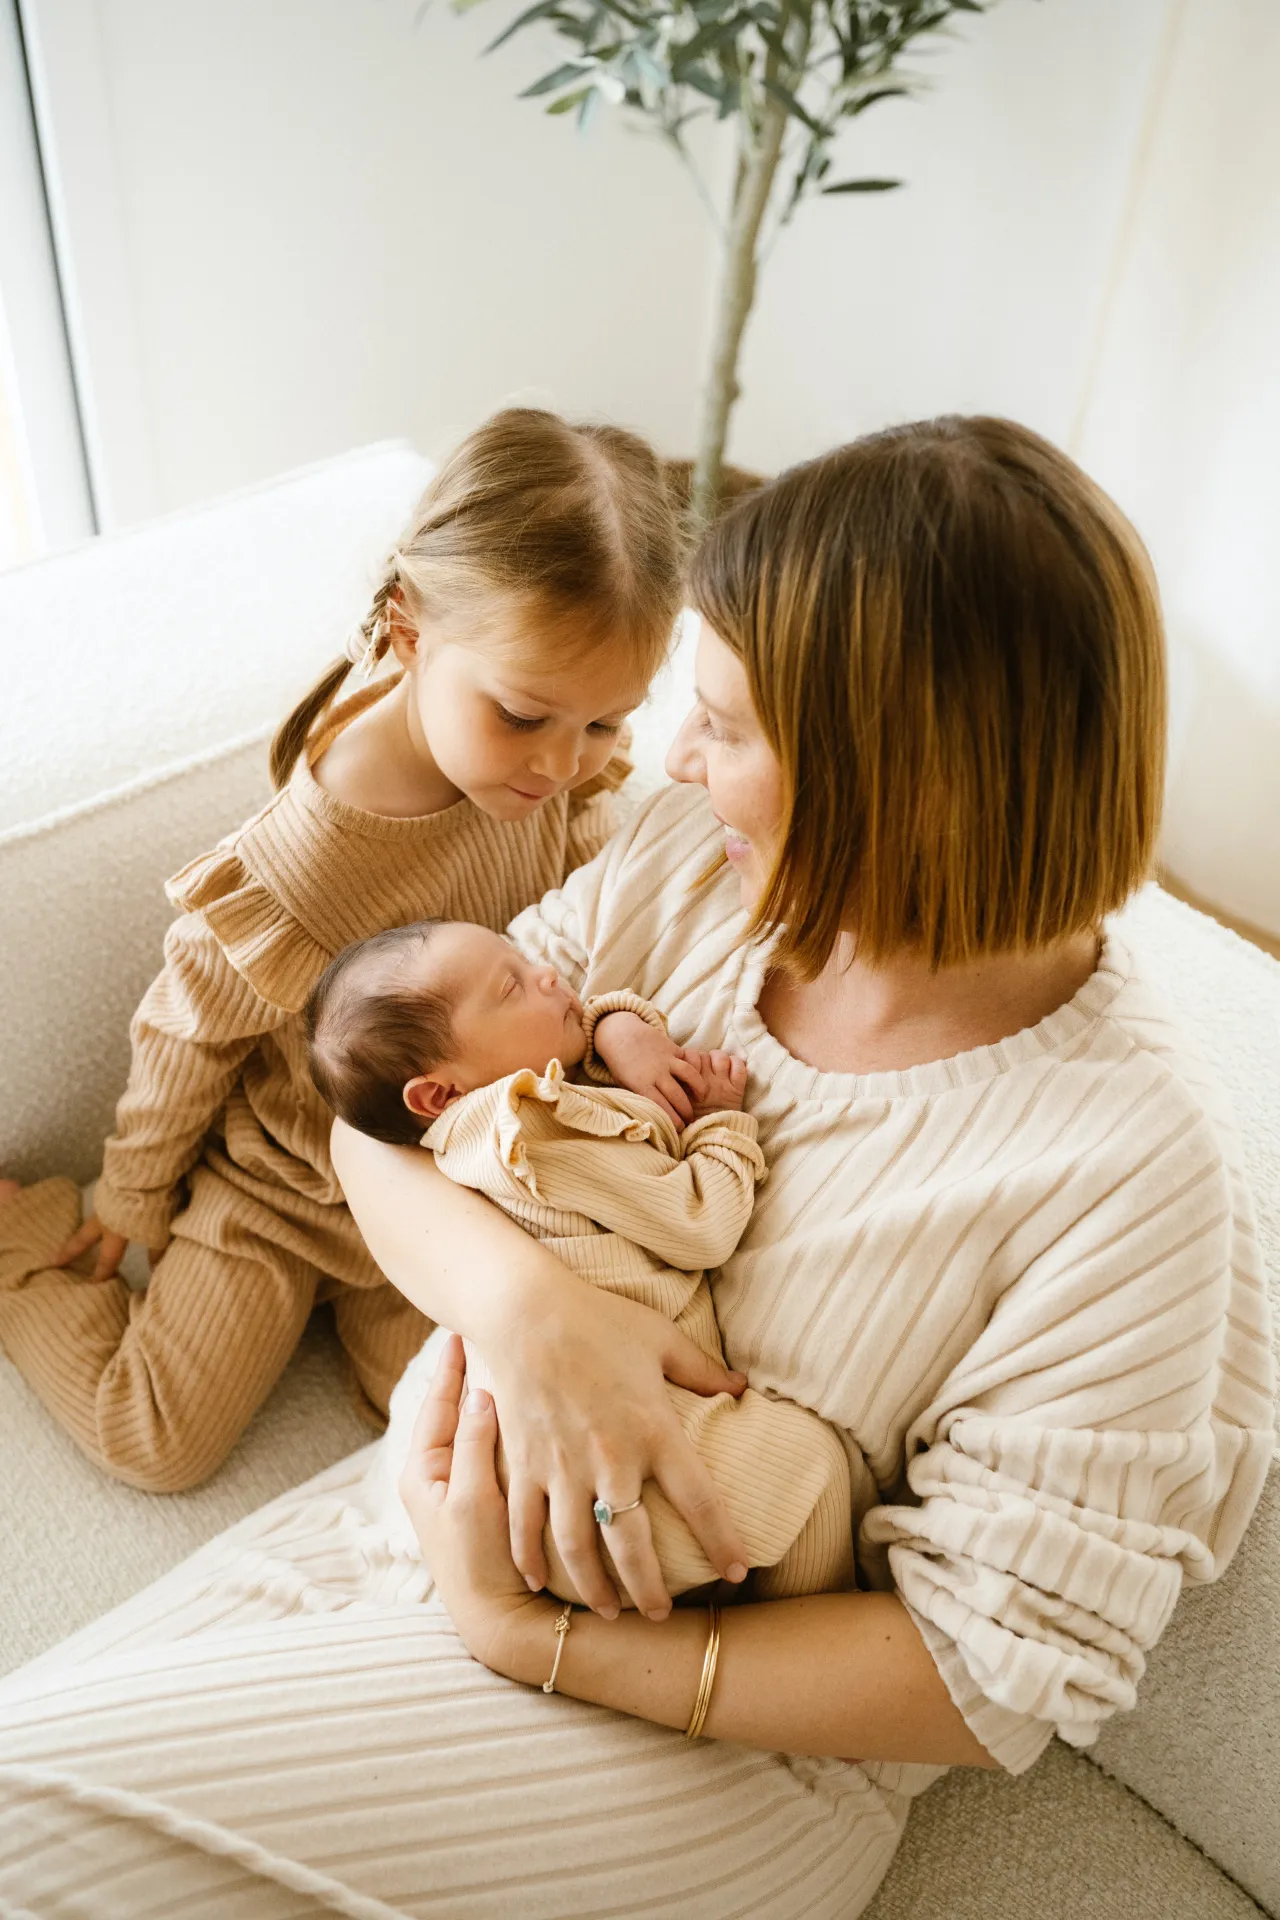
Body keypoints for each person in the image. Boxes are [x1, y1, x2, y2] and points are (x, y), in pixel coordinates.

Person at [0, 417, 1271, 1920]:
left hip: (704, 1736)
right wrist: (534, 1317)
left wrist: (532, 1637)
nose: (668, 760)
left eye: (721, 727)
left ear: (899, 778)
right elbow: (384, 1120)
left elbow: (986, 1670)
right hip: (417, 1515)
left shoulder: (1129, 1178)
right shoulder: (684, 873)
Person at [0, 407, 685, 1493]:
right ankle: (17, 1250)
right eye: (523, 717)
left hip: (443, 1182)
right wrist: (129, 1196)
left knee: (456, 1428)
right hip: (282, 1191)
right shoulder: (309, 853)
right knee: (155, 1441)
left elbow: (592, 923)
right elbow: (184, 1036)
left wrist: (617, 1023)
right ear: (410, 633)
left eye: (603, 725)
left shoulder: (555, 774)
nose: (562, 765)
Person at [304, 916, 860, 1599]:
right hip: (604, 1457)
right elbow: (700, 1225)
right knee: (818, 1475)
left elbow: (573, 1053)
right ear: (439, 1093)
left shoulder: (466, 1133)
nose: (548, 975)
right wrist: (720, 1121)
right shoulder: (534, 1129)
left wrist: (614, 1028)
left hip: (518, 1470)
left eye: (523, 960)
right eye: (511, 987)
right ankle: (803, 1620)